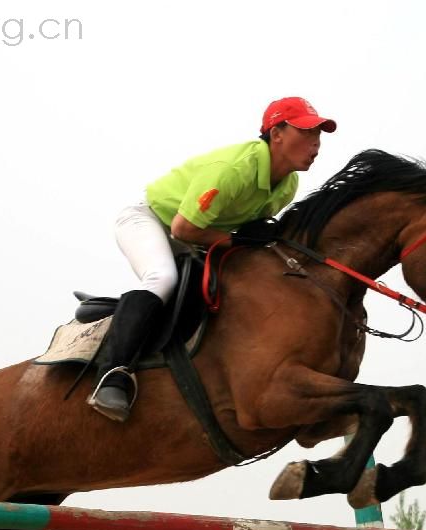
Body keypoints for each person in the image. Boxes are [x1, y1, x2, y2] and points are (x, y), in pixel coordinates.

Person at [89, 96, 337, 421]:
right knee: (162, 278)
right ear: (276, 134)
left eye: (318, 134)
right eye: (306, 133)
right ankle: (113, 374)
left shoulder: (288, 184)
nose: (316, 143)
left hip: (196, 235)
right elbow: (183, 228)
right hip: (152, 220)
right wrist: (236, 239)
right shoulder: (234, 170)